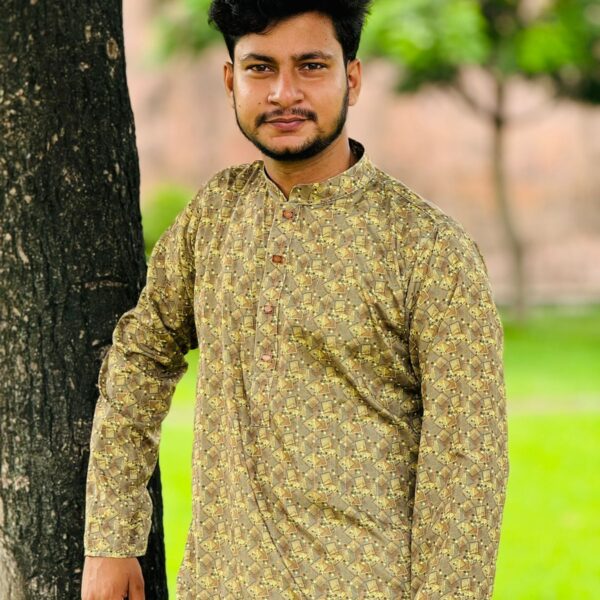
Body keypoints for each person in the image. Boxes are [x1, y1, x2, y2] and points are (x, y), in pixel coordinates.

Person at [81, 1, 509, 598]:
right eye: (261, 68)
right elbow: (139, 359)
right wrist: (111, 538)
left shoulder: (427, 248)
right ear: (230, 81)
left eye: (311, 66)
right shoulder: (215, 216)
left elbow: (467, 460)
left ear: (351, 79)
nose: (284, 93)